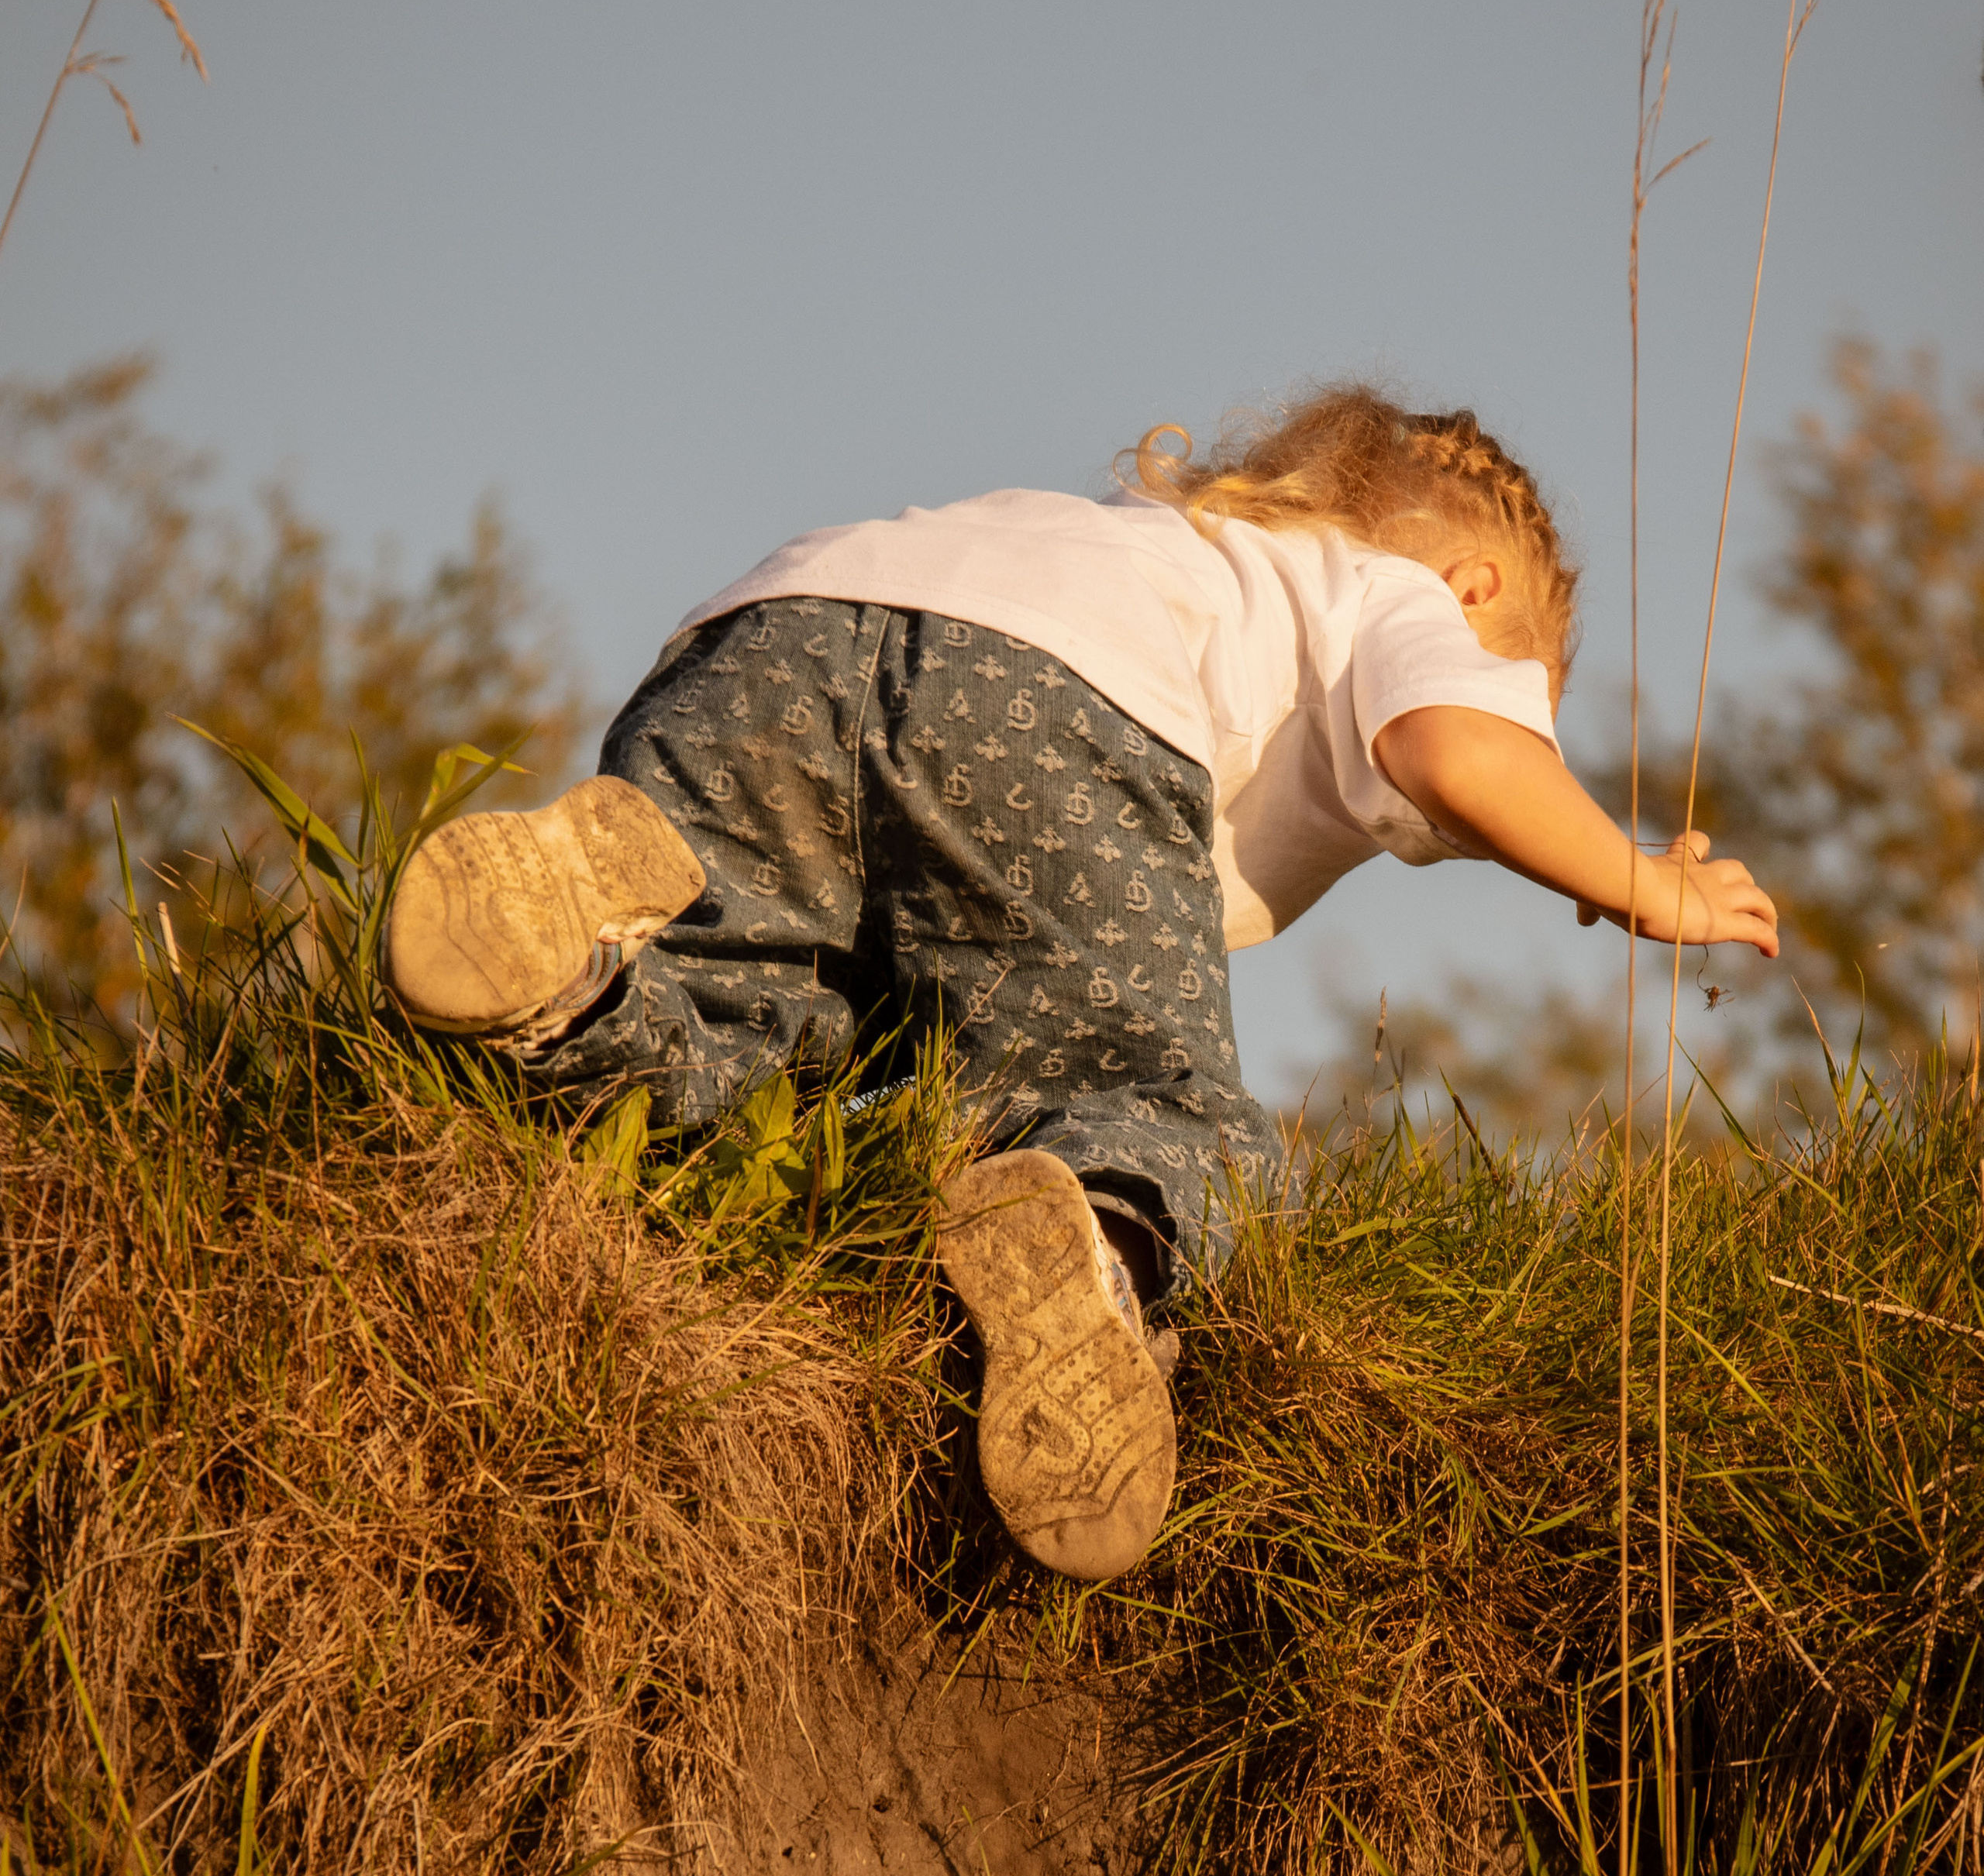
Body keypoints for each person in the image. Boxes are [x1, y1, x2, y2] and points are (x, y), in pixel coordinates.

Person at [382, 384, 1778, 1585]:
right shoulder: (1409, 599)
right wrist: (1637, 877)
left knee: (752, 1056)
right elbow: (1455, 754)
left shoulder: (1184, 551)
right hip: (1046, 701)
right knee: (1140, 1096)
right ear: (1480, 592)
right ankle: (1098, 1251)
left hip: (766, 638)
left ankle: (572, 956)